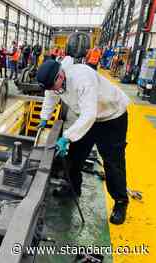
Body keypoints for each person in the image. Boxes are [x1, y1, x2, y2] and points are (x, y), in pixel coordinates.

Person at [36, 60, 130, 225]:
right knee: (75, 155)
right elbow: (50, 98)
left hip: (112, 116)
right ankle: (73, 188)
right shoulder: (54, 83)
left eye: (53, 86)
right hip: (89, 118)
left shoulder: (82, 78)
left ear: (60, 75)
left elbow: (89, 115)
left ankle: (121, 202)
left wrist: (67, 136)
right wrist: (44, 118)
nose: (53, 91)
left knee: (113, 161)